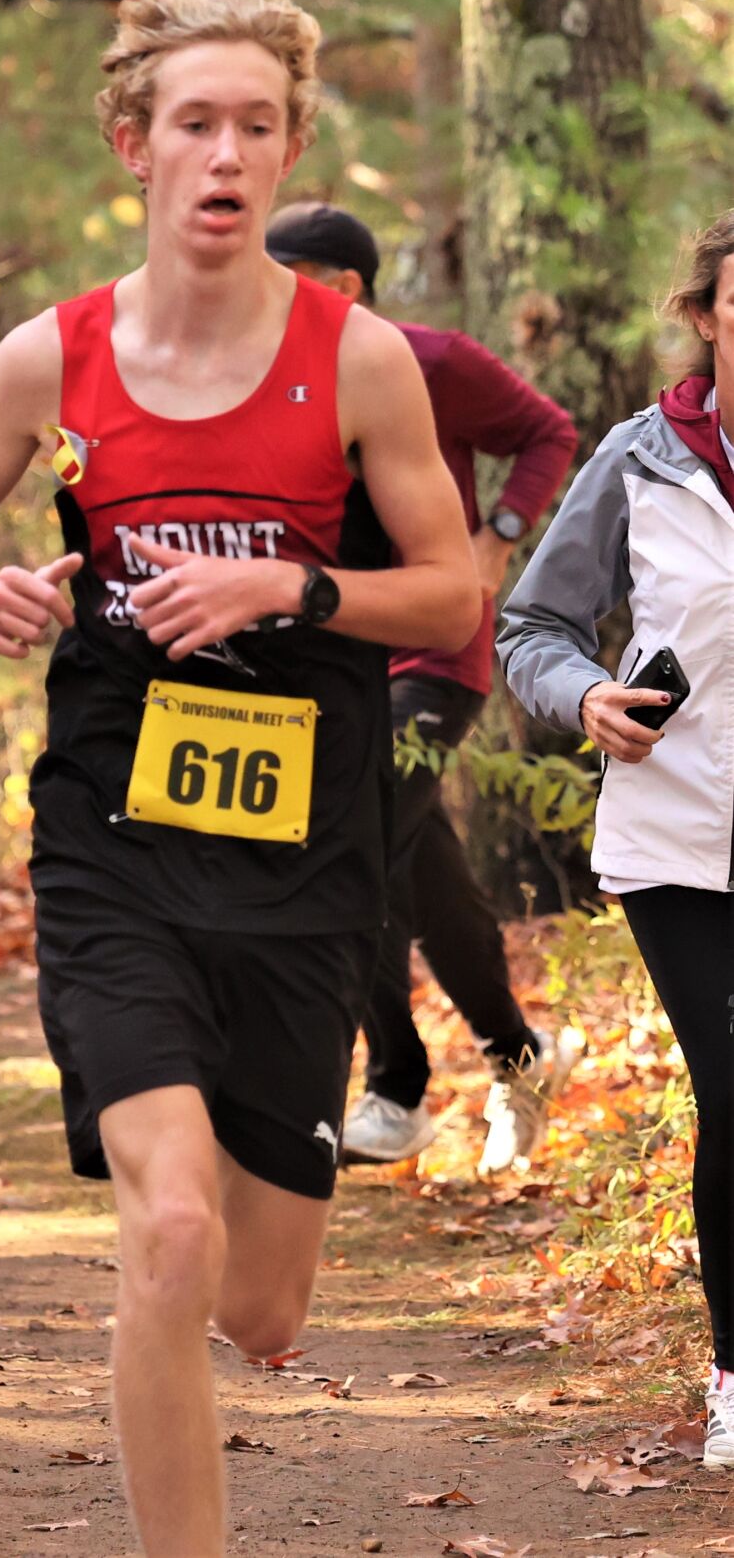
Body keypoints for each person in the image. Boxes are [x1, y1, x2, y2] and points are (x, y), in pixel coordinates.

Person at [0, 0, 481, 1557]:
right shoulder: (50, 358)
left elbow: (455, 589)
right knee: (166, 1230)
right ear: (133, 148)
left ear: (288, 157)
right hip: (114, 833)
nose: (224, 155)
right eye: (193, 123)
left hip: (301, 843)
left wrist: (292, 586)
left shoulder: (357, 364)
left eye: (256, 127)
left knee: (262, 1307)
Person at [265, 203, 580, 1173]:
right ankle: (520, 1058)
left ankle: (395, 1087)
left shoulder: (429, 361)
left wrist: (500, 534)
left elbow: (544, 431)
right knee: (420, 872)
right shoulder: (262, 377)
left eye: (282, 275)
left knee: (343, 843)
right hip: (326, 663)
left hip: (432, 660)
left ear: (342, 286)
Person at [498, 207, 734, 1466]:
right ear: (704, 318)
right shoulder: (639, 462)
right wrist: (581, 696)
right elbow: (530, 627)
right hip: (678, 839)